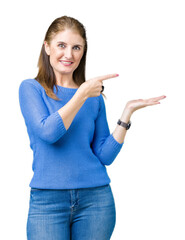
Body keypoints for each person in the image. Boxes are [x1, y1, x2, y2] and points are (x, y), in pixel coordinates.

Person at [18, 15, 166, 240]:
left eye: (76, 47)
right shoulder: (31, 89)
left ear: (83, 52)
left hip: (96, 201)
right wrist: (81, 94)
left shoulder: (93, 98)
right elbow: (49, 133)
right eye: (61, 45)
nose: (69, 54)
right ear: (47, 47)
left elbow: (104, 155)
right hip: (47, 202)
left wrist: (126, 114)